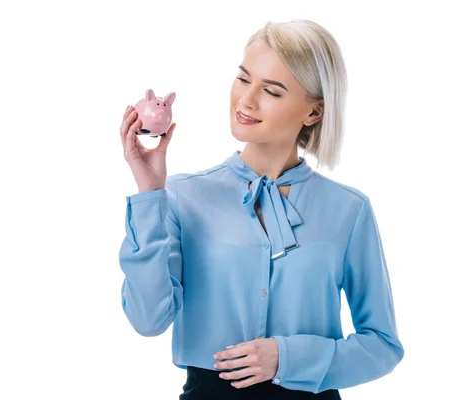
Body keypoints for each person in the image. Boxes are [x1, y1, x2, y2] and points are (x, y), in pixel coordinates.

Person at [117, 19, 404, 400]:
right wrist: (149, 194)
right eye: (243, 79)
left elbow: (383, 346)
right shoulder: (183, 196)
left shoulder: (348, 211)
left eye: (271, 90)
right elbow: (148, 320)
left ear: (314, 113)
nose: (246, 100)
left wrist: (289, 358)